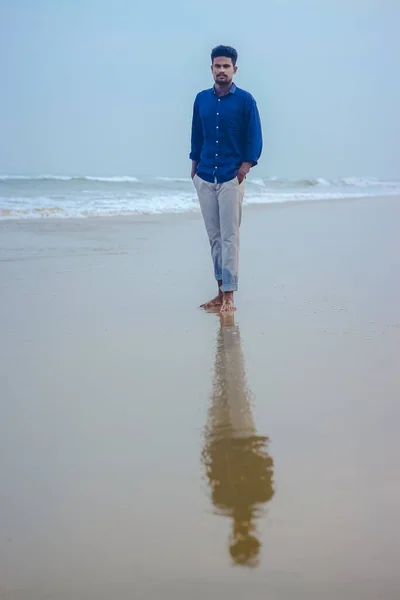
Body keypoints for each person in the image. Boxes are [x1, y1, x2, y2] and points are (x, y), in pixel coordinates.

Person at [190, 45, 263, 312]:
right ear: (211, 68)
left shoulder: (245, 100)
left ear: (234, 69)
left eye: (226, 66)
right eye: (217, 66)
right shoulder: (201, 99)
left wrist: (244, 167)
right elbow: (197, 134)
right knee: (214, 237)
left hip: (231, 176)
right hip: (206, 175)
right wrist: (195, 166)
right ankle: (220, 291)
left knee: (230, 236)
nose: (221, 70)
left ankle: (230, 295)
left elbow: (254, 137)